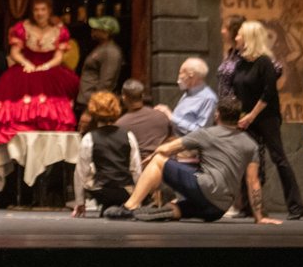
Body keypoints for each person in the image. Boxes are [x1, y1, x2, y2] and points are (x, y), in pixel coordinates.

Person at [103, 96, 280, 225]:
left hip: (204, 188)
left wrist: (151, 157)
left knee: (158, 160)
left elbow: (166, 150)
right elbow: (253, 181)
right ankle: (168, 211)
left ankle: (130, 207)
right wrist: (259, 217)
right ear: (239, 117)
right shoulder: (250, 144)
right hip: (219, 209)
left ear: (217, 114)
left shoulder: (206, 134)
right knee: (178, 208)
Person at [0, 0, 79, 149]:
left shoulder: (59, 31)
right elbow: (15, 52)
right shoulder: (22, 28)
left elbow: (59, 56)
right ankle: (18, 149)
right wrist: (26, 63)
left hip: (49, 70)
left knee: (53, 111)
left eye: (43, 10)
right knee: (11, 111)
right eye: (36, 10)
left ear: (49, 11)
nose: (39, 13)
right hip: (26, 68)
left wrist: (46, 66)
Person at [232, 20, 303, 220]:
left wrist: (251, 116)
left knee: (278, 157)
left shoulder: (264, 62)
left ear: (249, 38)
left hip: (266, 117)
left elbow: (269, 93)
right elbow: (237, 91)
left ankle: (296, 207)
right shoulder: (240, 63)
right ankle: (248, 207)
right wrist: (239, 116)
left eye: (239, 34)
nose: (235, 37)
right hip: (245, 118)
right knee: (248, 159)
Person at [71, 91, 141, 217]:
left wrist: (80, 202)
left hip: (101, 191)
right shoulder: (129, 135)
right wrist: (137, 199)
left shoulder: (89, 138)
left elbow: (81, 172)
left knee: (88, 174)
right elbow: (136, 169)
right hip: (125, 190)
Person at [76, 15, 123, 122]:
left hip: (93, 106)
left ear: (107, 32)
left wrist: (91, 109)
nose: (93, 30)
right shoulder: (100, 48)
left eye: (98, 29)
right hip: (87, 101)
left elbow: (106, 83)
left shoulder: (111, 52)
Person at [157, 58, 218, 136]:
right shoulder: (188, 92)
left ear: (191, 75)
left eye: (181, 73)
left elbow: (201, 132)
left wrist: (171, 116)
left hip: (190, 145)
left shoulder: (208, 99)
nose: (179, 77)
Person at [115, 79, 172, 160]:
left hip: (140, 166)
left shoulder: (120, 125)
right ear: (142, 95)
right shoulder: (161, 115)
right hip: (164, 163)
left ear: (124, 97)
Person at [217, 14, 246, 97]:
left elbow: (277, 68)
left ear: (235, 31)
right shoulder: (231, 53)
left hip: (239, 107)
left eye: (225, 28)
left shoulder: (246, 54)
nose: (222, 31)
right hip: (226, 105)